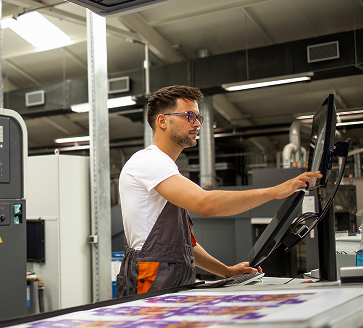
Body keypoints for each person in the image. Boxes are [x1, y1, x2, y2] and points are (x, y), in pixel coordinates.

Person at [115, 85, 322, 298]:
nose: (197, 123)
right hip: (150, 279)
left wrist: (226, 271)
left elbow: (182, 248)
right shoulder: (148, 161)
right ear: (162, 121)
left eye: (198, 117)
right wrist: (274, 192)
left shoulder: (163, 168)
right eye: (189, 116)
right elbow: (205, 204)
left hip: (168, 279)